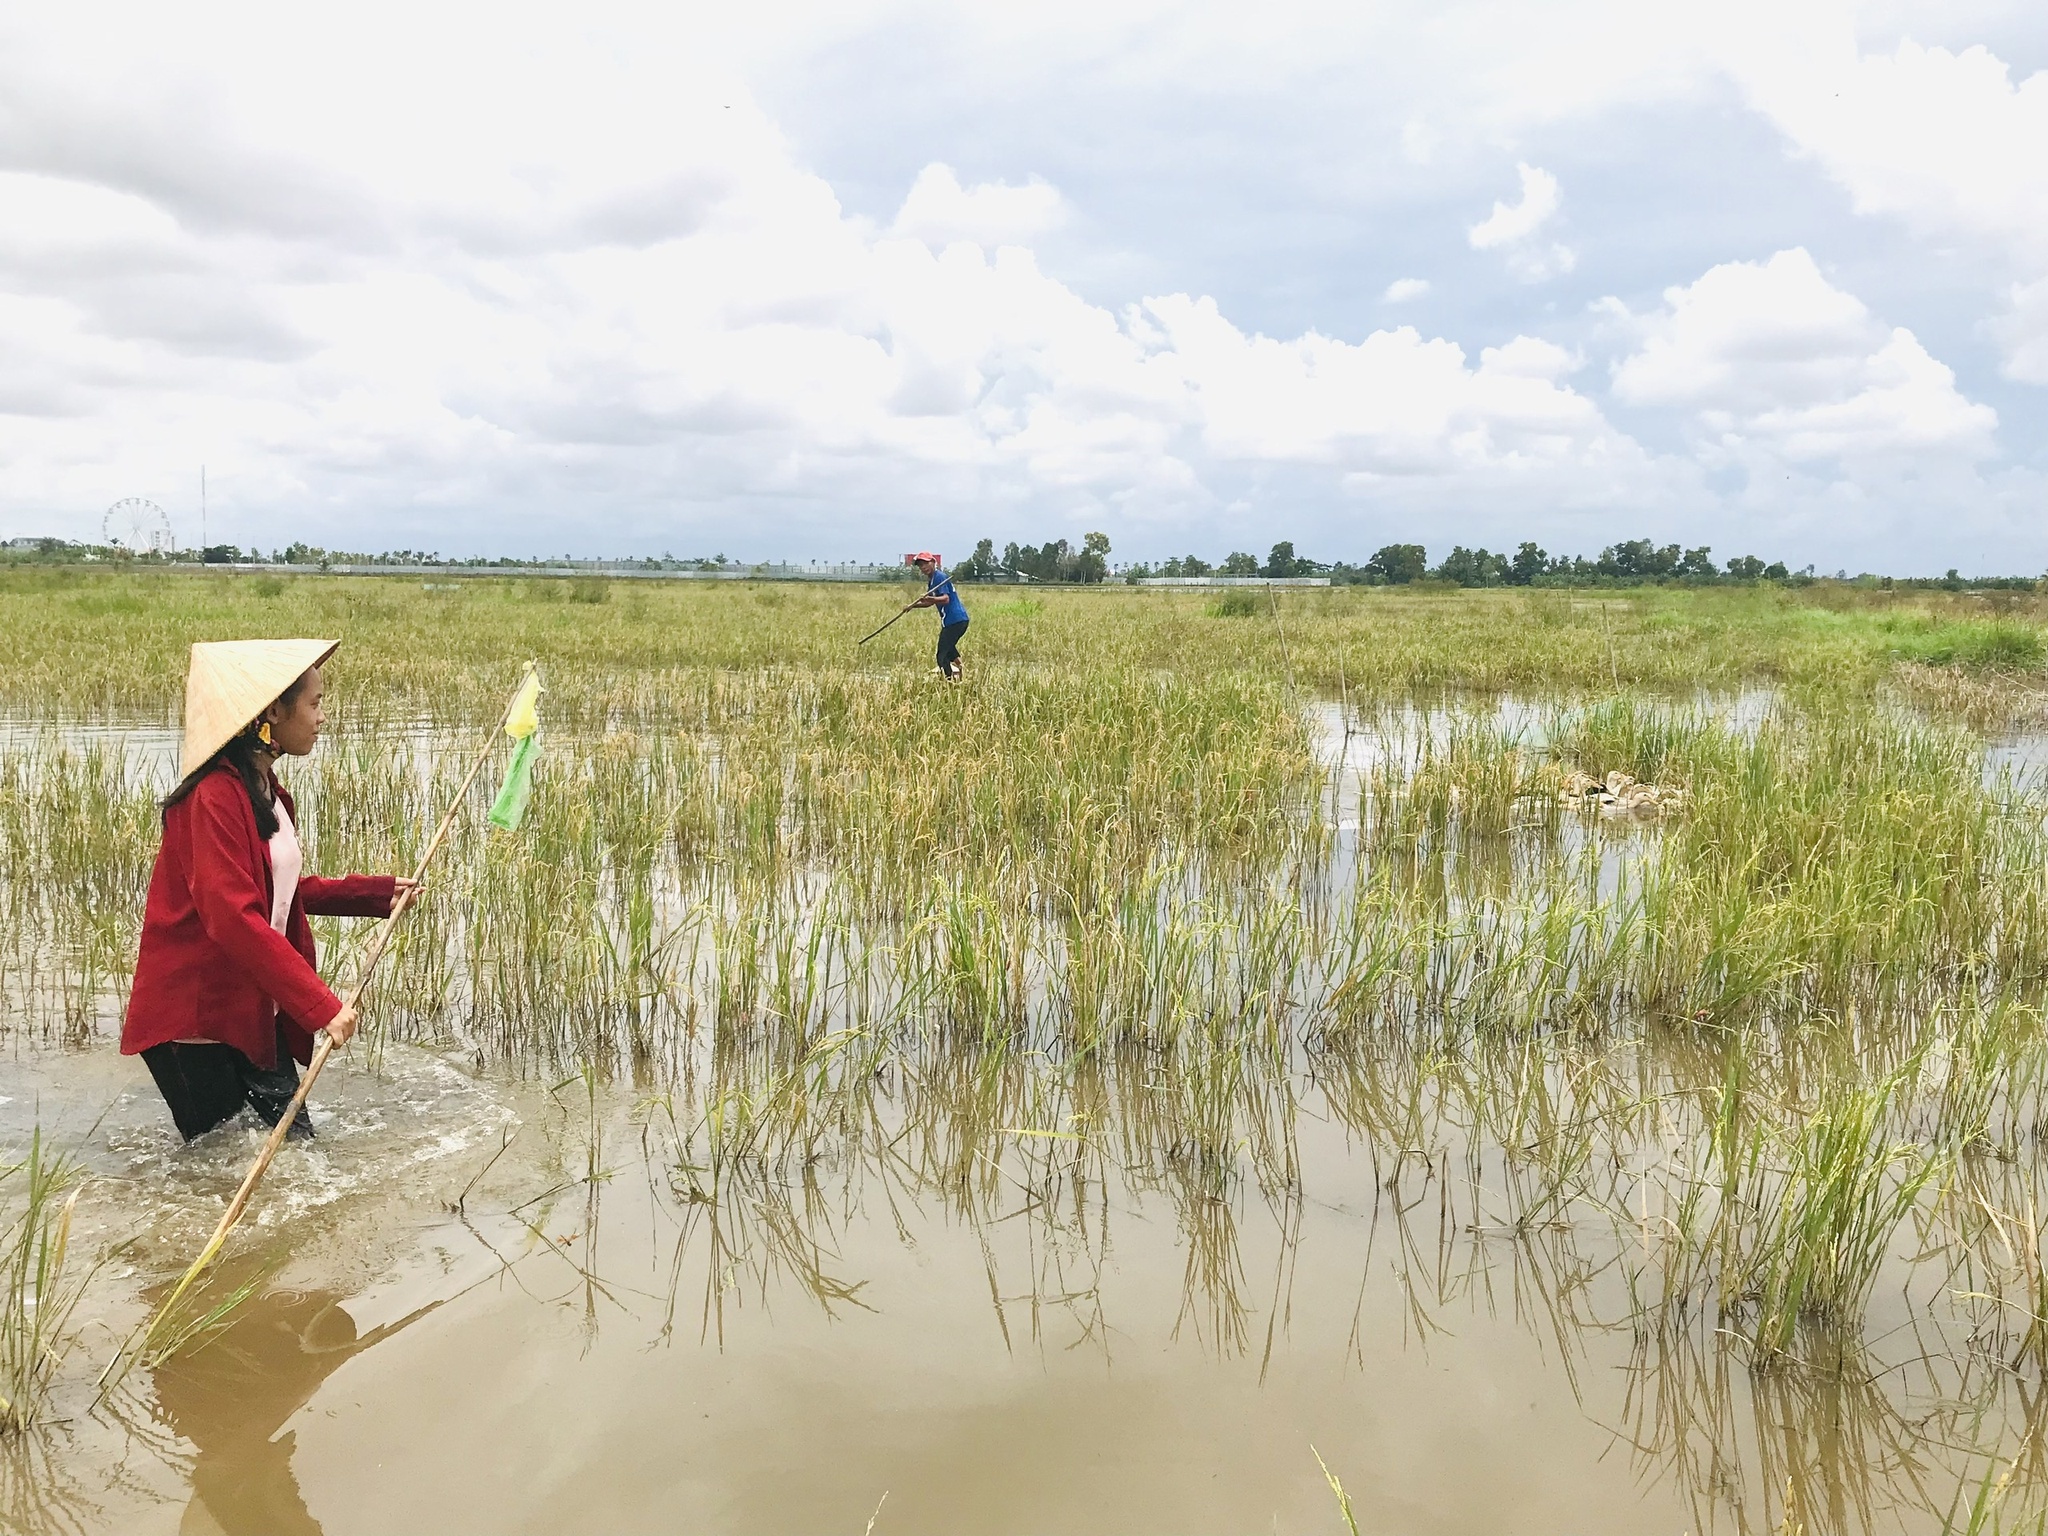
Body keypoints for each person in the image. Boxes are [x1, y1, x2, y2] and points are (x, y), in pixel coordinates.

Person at [122, 639, 415, 1142]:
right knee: (221, 1165)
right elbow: (233, 916)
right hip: (197, 1021)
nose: (322, 717)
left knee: (293, 1150)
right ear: (274, 712)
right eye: (315, 703)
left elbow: (276, 890)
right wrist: (321, 1005)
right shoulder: (211, 797)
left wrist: (371, 894)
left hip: (251, 1005)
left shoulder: (267, 792)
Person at [908, 551, 969, 681]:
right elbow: (930, 603)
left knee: (942, 655)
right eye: (921, 565)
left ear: (933, 562)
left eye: (926, 563)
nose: (924, 567)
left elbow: (945, 599)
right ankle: (962, 670)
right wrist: (913, 606)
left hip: (954, 620)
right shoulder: (932, 581)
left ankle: (949, 681)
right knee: (949, 647)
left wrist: (930, 598)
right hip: (956, 620)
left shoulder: (939, 577)